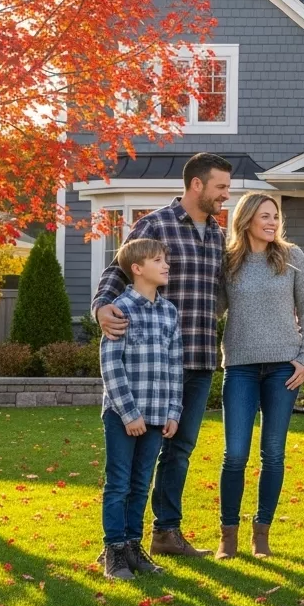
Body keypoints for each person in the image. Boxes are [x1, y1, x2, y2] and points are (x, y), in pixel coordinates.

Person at [92, 152, 231, 557]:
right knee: (134, 464)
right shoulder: (154, 224)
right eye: (220, 186)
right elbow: (117, 272)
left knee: (181, 449)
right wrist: (102, 307)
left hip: (199, 355)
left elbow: (219, 291)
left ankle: (164, 532)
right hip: (151, 362)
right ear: (197, 185)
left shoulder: (218, 233)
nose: (225, 194)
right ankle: (121, 541)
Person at [216, 193, 304, 559]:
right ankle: (228, 536)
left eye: (275, 216)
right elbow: (212, 310)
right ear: (246, 220)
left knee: (273, 453)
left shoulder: (292, 257)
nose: (273, 222)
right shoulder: (228, 262)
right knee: (235, 453)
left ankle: (262, 534)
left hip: (283, 369)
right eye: (265, 216)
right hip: (240, 367)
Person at [98, 238, 182, 580]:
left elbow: (176, 366)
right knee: (118, 483)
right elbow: (110, 365)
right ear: (137, 268)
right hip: (123, 415)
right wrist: (129, 413)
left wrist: (173, 411)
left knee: (141, 483)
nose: (165, 265)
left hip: (158, 414)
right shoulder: (120, 309)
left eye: (165, 260)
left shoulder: (169, 312)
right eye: (158, 260)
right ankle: (114, 551)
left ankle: (133, 546)